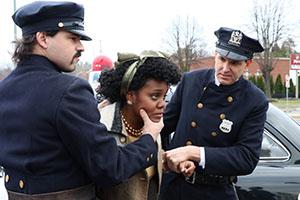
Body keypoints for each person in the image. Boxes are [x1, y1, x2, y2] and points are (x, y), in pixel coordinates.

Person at [0, 1, 164, 199]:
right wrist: (148, 138)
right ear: (43, 38)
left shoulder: (5, 89)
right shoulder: (69, 91)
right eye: (73, 38)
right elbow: (110, 168)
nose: (81, 47)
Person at [159, 27, 269, 200]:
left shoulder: (254, 100)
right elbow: (163, 126)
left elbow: (246, 157)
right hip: (174, 188)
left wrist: (193, 153)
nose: (225, 68)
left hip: (215, 192)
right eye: (222, 59)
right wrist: (170, 159)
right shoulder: (190, 81)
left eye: (234, 63)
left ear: (247, 64)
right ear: (215, 55)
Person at [95, 51, 195, 200]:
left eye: (165, 96)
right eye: (155, 96)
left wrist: (168, 163)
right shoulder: (101, 126)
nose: (162, 104)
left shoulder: (152, 124)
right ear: (130, 96)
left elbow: (145, 163)